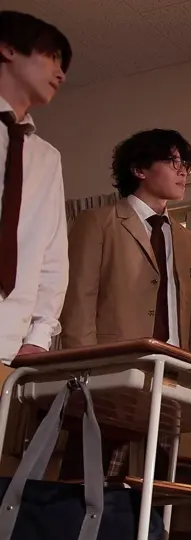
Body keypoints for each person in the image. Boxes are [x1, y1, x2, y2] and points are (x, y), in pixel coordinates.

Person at [59, 128, 191, 479]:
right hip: (111, 375)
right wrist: (87, 376)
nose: (182, 171)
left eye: (186, 163)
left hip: (171, 377)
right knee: (88, 483)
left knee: (154, 487)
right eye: (172, 161)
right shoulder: (98, 222)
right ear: (139, 169)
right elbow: (79, 303)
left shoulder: (186, 239)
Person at [0, 11, 70, 364]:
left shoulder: (46, 158)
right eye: (52, 56)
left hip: (10, 343)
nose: (60, 73)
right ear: (9, 48)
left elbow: (52, 252)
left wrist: (41, 335)